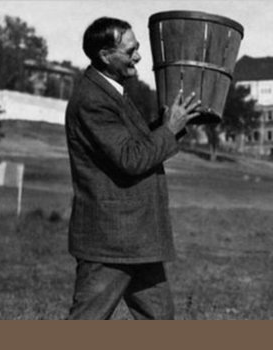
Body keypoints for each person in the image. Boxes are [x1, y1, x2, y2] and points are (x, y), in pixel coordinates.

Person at [64, 17, 201, 319]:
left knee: (160, 321)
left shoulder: (112, 91)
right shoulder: (92, 100)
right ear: (105, 55)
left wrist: (169, 125)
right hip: (111, 239)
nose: (137, 57)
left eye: (137, 48)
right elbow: (131, 159)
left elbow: (132, 145)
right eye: (129, 51)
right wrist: (170, 129)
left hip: (136, 237)